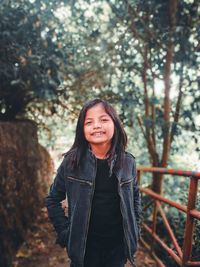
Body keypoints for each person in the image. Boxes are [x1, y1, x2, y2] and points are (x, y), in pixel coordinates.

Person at [46, 99, 141, 267]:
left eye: (104, 120)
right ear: (82, 130)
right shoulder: (71, 162)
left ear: (115, 124)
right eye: (89, 122)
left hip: (117, 247)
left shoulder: (128, 162)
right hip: (84, 249)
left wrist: (135, 230)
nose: (97, 125)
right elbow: (53, 199)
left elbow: (135, 198)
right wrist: (65, 232)